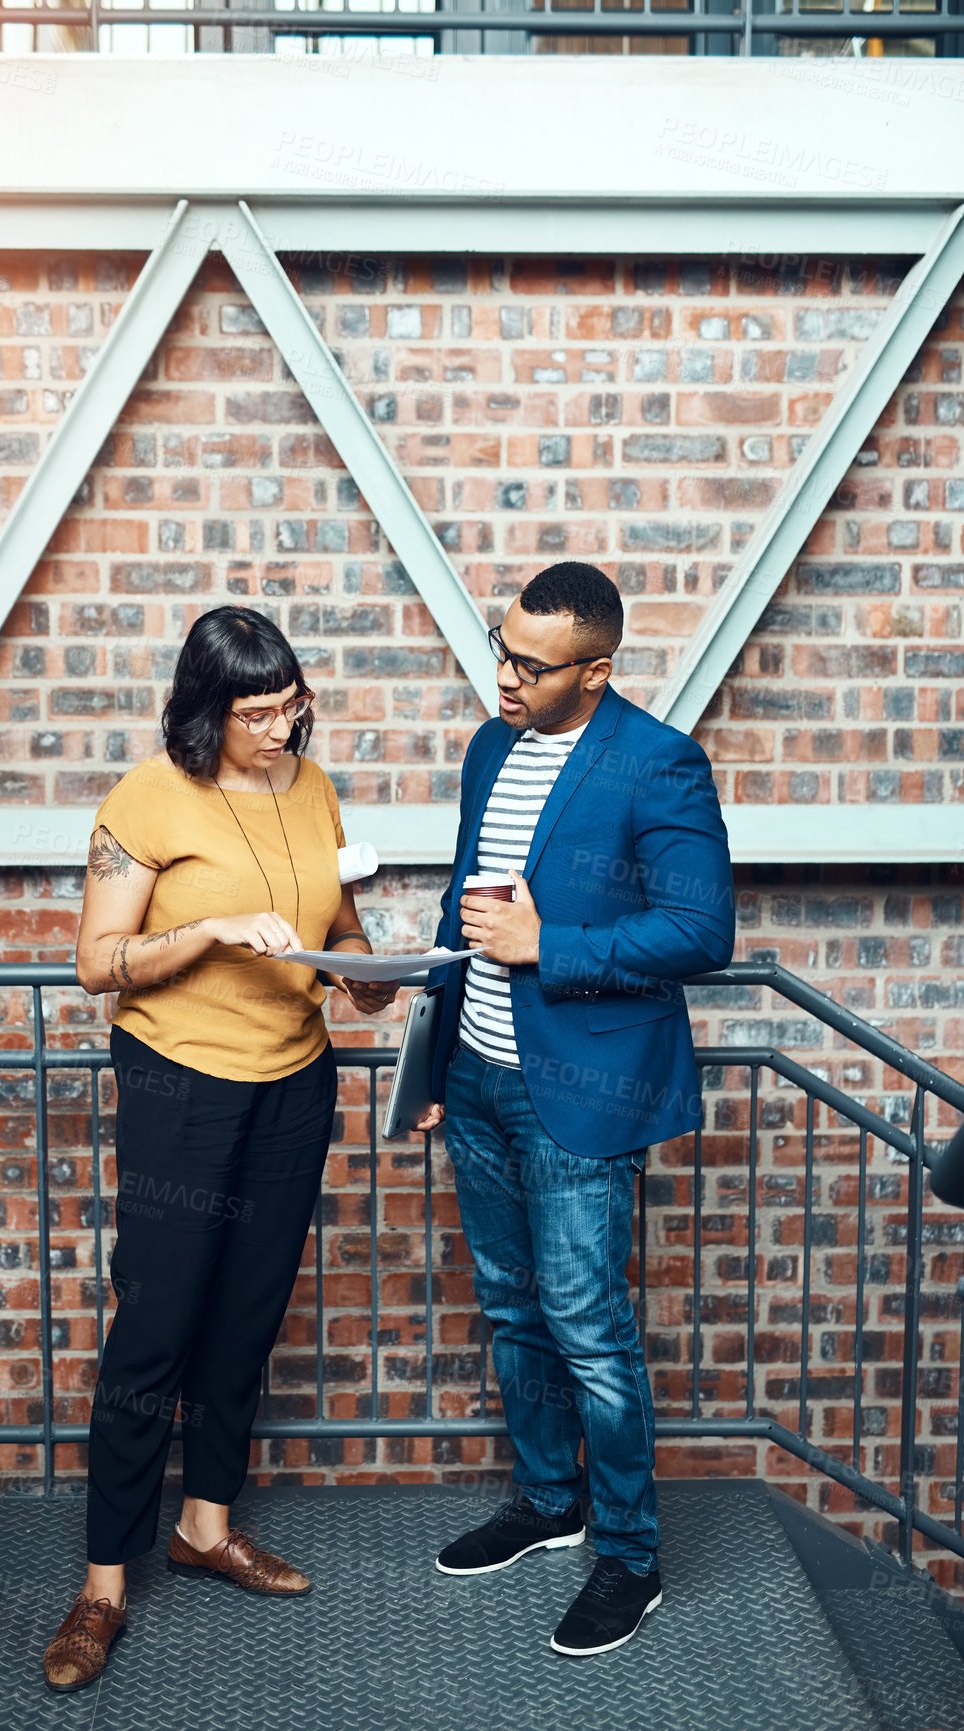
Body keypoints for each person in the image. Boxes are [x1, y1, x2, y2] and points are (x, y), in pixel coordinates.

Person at [42, 605, 398, 1694]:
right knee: (155, 1329)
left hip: (295, 1082)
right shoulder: (148, 798)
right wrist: (204, 932)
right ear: (207, 712)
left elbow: (338, 927)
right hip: (179, 1086)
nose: (281, 732)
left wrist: (372, 969)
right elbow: (95, 964)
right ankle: (104, 1584)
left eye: (291, 707)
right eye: (256, 715)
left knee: (247, 1315)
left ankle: (206, 1526)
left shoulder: (314, 785)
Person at [416, 561, 734, 1657]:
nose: (502, 678)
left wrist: (550, 946)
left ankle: (630, 1557)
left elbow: (701, 934)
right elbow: (468, 899)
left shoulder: (658, 766)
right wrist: (434, 1065)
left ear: (594, 672)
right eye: (500, 650)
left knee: (592, 1333)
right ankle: (548, 1501)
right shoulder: (491, 747)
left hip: (577, 1097)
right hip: (478, 1080)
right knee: (511, 1308)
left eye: (530, 666)